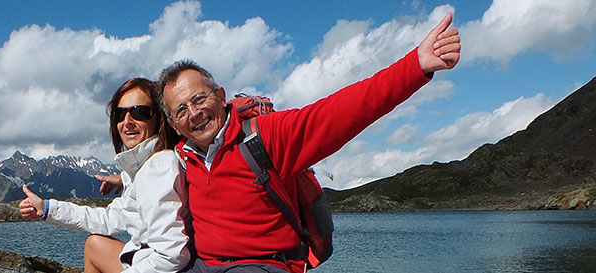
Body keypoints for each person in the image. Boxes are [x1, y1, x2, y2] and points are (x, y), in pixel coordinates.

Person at [154, 13, 461, 273]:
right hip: (204, 266)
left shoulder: (265, 135)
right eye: (181, 109)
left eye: (199, 99)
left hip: (262, 265)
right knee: (108, 252)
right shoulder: (180, 157)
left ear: (220, 96)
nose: (194, 113)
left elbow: (339, 113)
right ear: (172, 123)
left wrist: (415, 66)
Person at [19, 78, 190, 273]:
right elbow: (109, 218)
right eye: (119, 114)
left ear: (158, 118)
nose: (127, 122)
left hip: (163, 266)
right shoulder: (142, 168)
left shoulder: (158, 168)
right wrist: (48, 208)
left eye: (139, 112)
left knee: (94, 246)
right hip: (148, 258)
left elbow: (172, 255)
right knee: (94, 245)